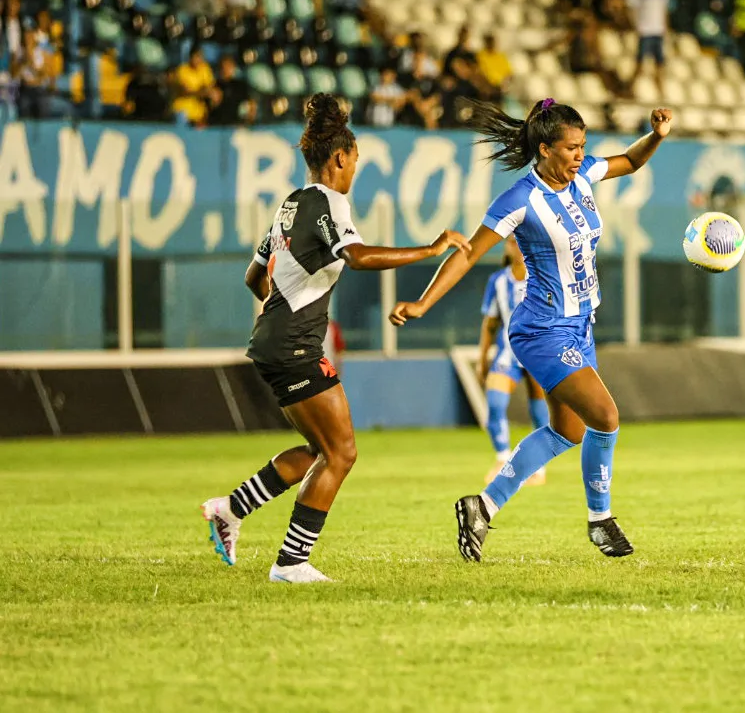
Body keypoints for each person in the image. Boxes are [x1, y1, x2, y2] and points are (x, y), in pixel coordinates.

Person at [201, 94, 471, 583]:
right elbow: (358, 255)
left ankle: (229, 508)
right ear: (340, 158)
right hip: (294, 344)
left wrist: (278, 303)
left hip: (275, 340)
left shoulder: (290, 204)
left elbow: (253, 276)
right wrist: (431, 248)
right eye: (356, 163)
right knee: (342, 452)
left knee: (320, 450)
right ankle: (291, 563)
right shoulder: (329, 201)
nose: (354, 173)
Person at [389, 98, 673, 562]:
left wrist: (656, 135)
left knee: (569, 432)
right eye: (572, 148)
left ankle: (482, 505)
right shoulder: (519, 199)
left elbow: (632, 160)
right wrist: (423, 302)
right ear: (544, 149)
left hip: (580, 326)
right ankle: (600, 521)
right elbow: (467, 252)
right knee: (606, 416)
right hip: (543, 330)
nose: (581, 155)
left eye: (583, 146)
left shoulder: (582, 177)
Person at [477, 235, 551, 483]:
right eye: (511, 242)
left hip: (538, 354)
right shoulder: (497, 281)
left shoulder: (541, 277)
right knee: (495, 403)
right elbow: (490, 323)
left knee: (540, 410)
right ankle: (502, 458)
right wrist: (482, 358)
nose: (517, 247)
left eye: (520, 241)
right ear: (506, 247)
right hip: (507, 353)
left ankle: (538, 467)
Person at [626, 0, 670, 93]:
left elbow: (664, 9)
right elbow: (630, 7)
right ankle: (631, 88)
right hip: (645, 30)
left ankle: (660, 89)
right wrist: (634, 24)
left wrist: (666, 26)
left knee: (660, 62)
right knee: (640, 61)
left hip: (658, 30)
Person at [172, 46, 220, 127]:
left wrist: (209, 93)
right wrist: (203, 92)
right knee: (181, 119)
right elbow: (185, 91)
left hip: (198, 111)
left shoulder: (205, 69)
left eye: (200, 56)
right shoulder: (182, 70)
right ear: (190, 57)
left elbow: (211, 88)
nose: (198, 59)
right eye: (196, 56)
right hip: (183, 110)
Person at [211, 55, 256, 125]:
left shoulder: (241, 85)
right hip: (218, 124)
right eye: (223, 67)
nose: (225, 69)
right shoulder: (215, 85)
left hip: (237, 125)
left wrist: (249, 119)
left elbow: (251, 104)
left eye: (228, 66)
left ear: (233, 67)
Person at [476, 33, 511, 99]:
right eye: (490, 41)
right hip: (486, 89)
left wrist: (505, 83)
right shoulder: (481, 55)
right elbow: (480, 72)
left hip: (500, 88)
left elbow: (508, 73)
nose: (492, 44)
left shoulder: (501, 56)